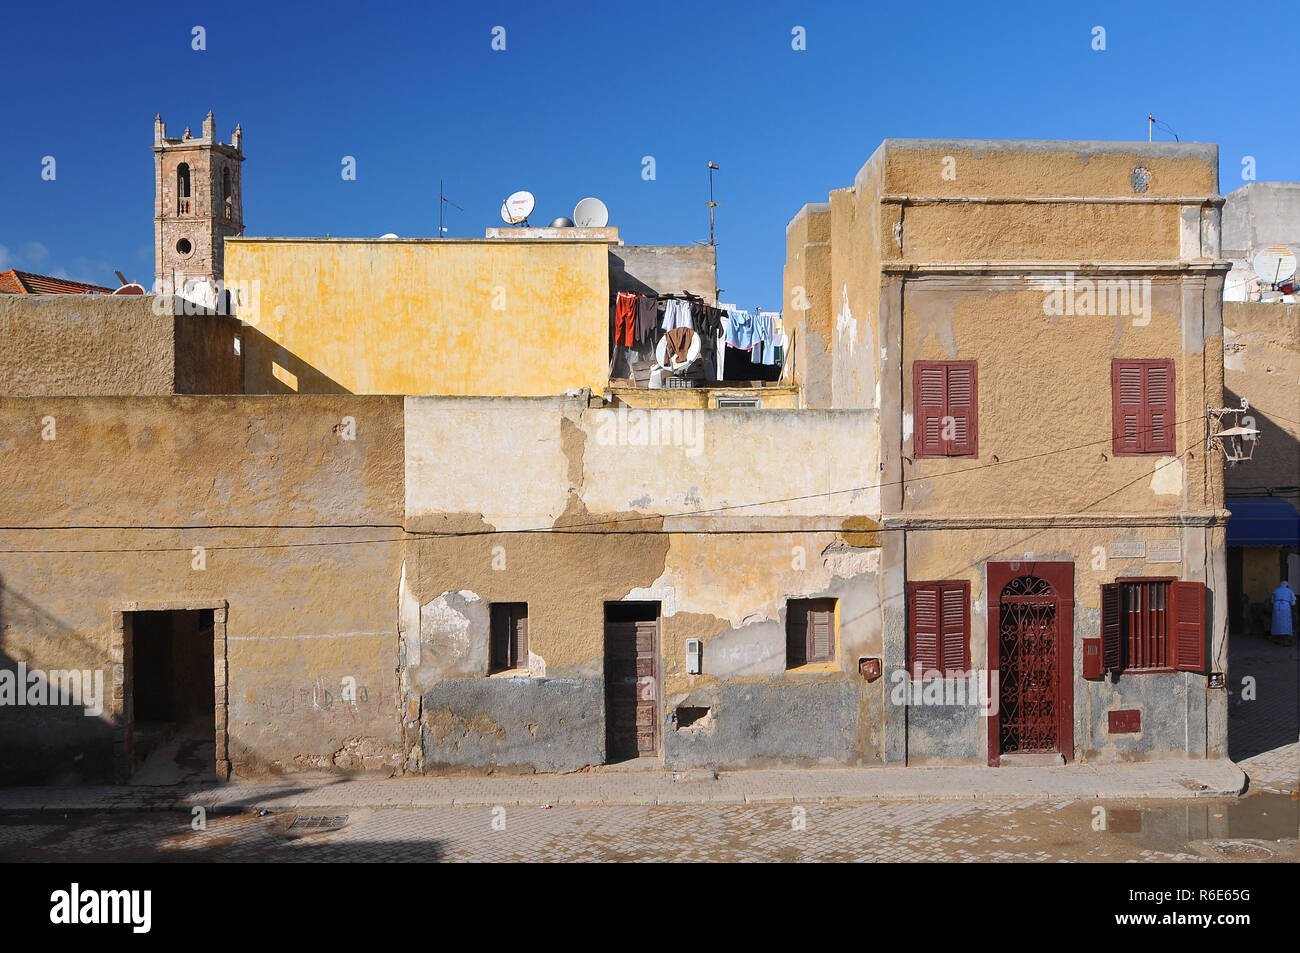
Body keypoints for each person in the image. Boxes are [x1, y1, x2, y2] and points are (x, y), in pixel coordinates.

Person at [1271, 580, 1296, 646]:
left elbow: (1272, 601)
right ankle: (1286, 636)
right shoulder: (1290, 591)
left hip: (1277, 606)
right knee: (1286, 621)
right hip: (1286, 606)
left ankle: (1277, 636)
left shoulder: (1275, 590)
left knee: (1277, 621)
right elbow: (1293, 603)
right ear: (1287, 585)